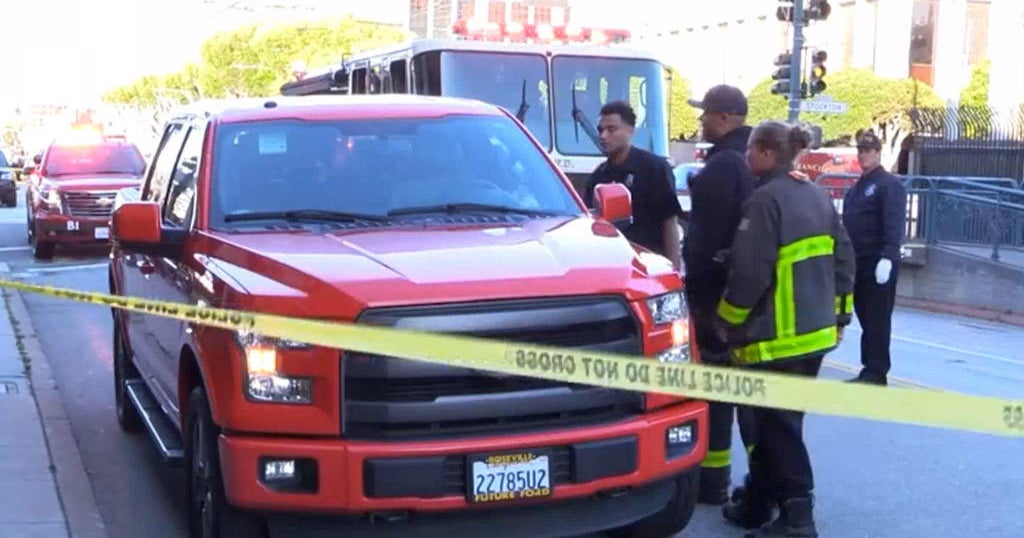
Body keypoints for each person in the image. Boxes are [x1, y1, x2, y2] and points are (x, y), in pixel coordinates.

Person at [716, 121, 856, 537]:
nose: (746, 155)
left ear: (763, 152)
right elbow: (845, 258)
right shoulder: (816, 195)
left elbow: (751, 274)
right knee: (774, 423)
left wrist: (727, 320)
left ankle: (798, 517)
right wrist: (840, 317)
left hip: (775, 339)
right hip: (814, 337)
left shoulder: (763, 201)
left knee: (776, 429)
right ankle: (758, 503)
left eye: (751, 149)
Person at [683, 84, 759, 504]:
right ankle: (741, 482)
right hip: (738, 296)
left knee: (715, 389)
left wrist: (697, 294)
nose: (701, 120)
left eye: (707, 113)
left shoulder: (724, 166)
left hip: (713, 298)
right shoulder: (747, 161)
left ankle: (713, 482)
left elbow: (705, 239)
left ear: (727, 117)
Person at [842, 130, 907, 386]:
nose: (863, 155)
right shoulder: (858, 187)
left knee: (877, 317)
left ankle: (876, 371)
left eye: (868, 150)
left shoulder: (888, 184)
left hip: (878, 260)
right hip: (858, 261)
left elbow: (894, 222)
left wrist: (888, 256)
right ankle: (868, 367)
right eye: (860, 150)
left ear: (878, 153)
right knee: (866, 316)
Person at [584, 100, 682, 268]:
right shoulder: (598, 176)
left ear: (631, 131)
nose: (603, 136)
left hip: (649, 263)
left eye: (611, 130)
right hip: (610, 265)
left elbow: (669, 222)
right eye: (600, 130)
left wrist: (674, 269)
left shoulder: (654, 168)